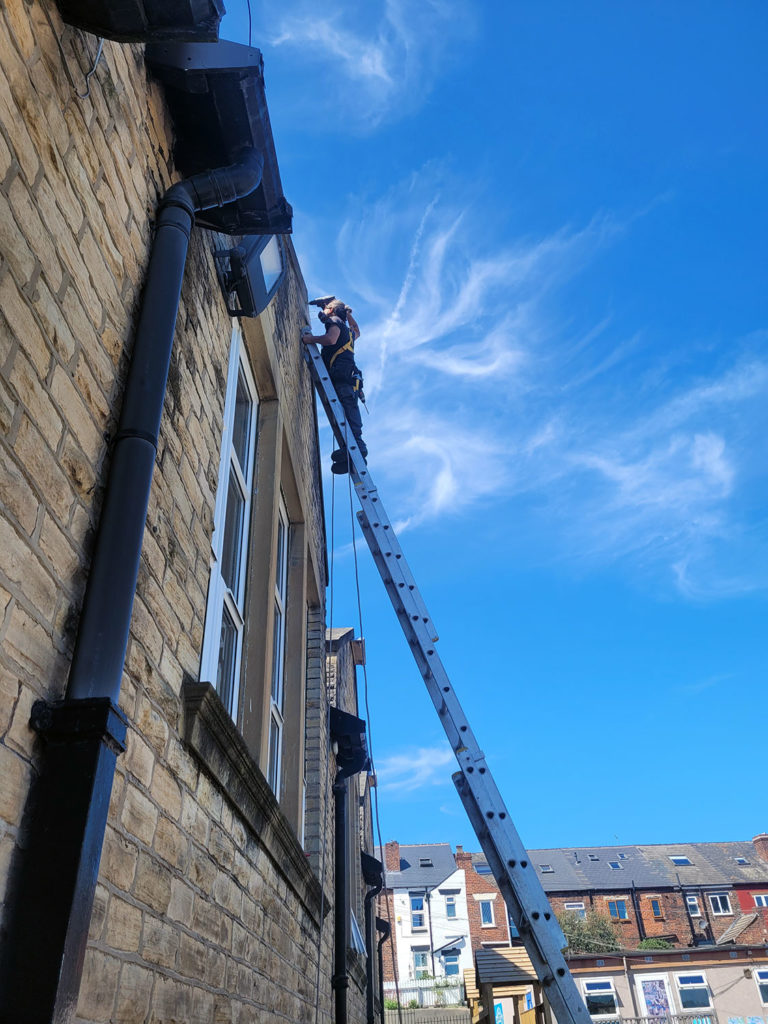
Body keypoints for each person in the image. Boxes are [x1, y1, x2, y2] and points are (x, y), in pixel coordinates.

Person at [301, 300, 367, 472]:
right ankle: (352, 454)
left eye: (325, 308)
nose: (323, 311)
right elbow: (357, 330)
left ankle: (356, 448)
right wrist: (348, 313)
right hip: (348, 378)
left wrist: (310, 339)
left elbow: (331, 339)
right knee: (349, 413)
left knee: (347, 412)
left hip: (340, 377)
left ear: (331, 310)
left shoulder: (336, 322)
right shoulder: (349, 332)